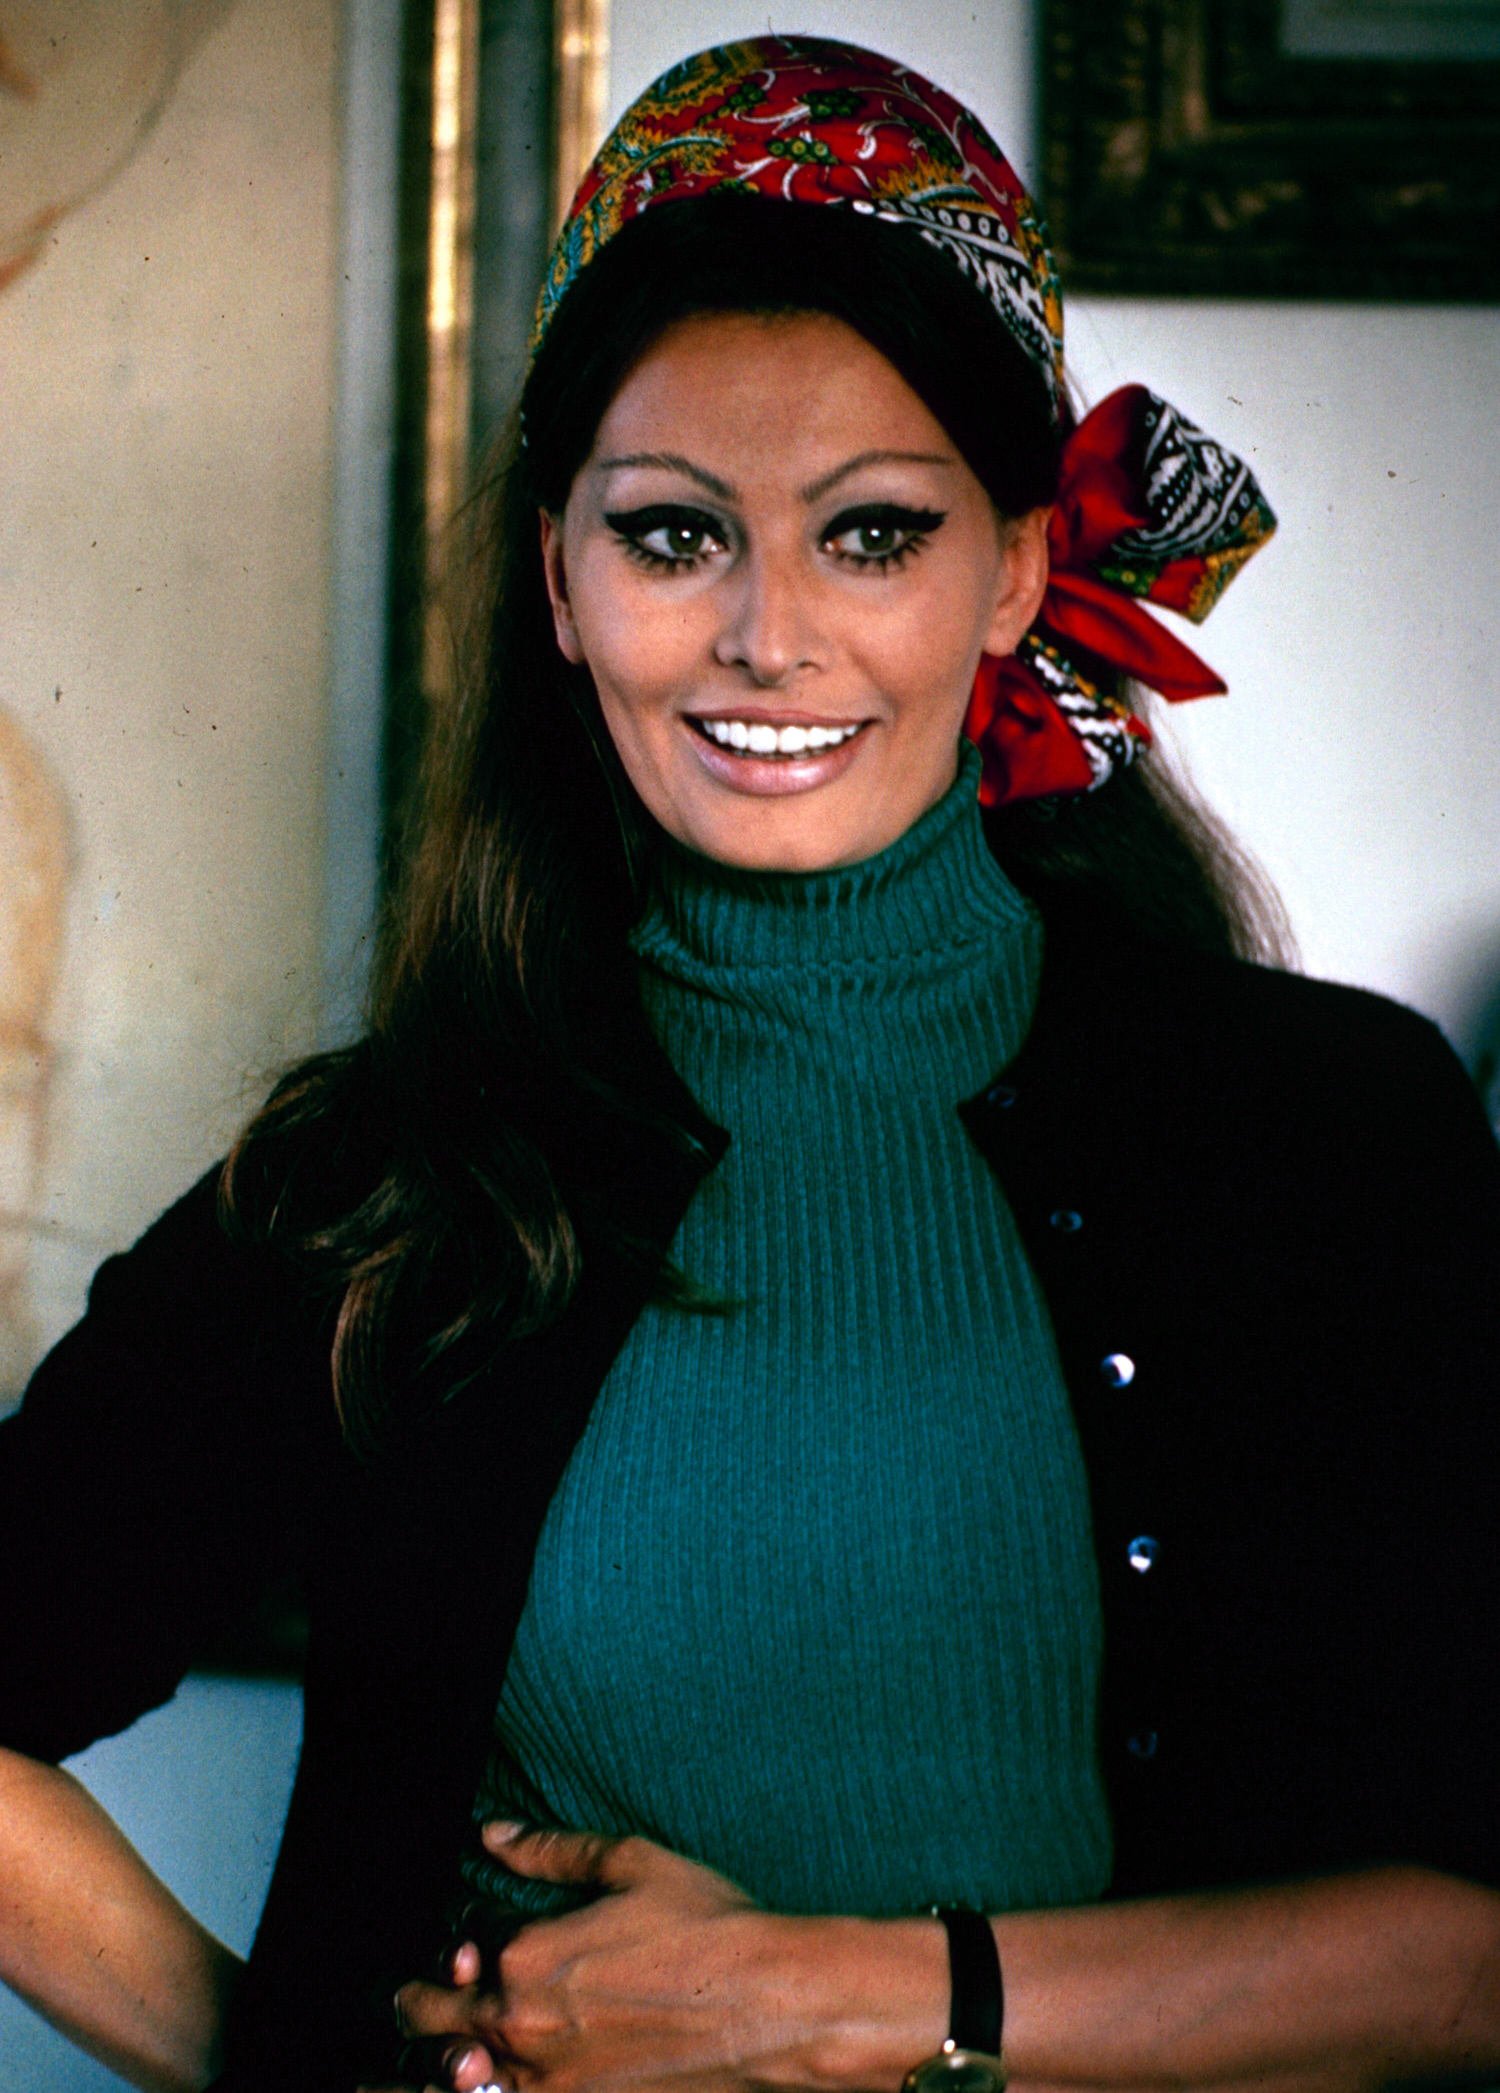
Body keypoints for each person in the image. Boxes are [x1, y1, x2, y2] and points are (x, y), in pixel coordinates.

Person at [0, 35, 1496, 2093]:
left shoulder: (1325, 1134)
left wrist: (840, 2006)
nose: (767, 637)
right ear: (559, 577)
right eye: (673, 536)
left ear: (1017, 571)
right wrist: (293, 2067)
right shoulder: (394, 1175)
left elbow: (1468, 1959)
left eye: (871, 536)